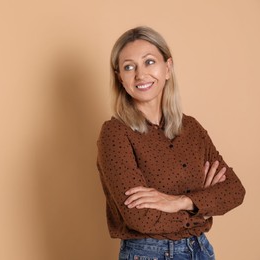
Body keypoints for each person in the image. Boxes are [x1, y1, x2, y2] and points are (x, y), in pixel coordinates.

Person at [96, 26, 245, 260]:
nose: (140, 74)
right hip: (150, 253)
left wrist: (179, 202)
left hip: (201, 250)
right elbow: (140, 217)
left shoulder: (191, 128)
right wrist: (200, 210)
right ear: (120, 78)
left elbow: (235, 191)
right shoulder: (115, 133)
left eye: (149, 62)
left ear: (168, 68)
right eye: (129, 67)